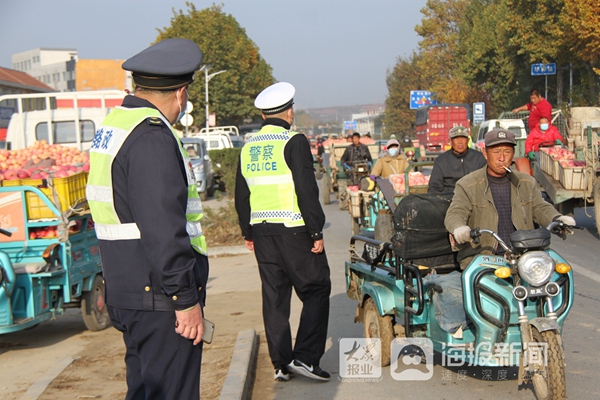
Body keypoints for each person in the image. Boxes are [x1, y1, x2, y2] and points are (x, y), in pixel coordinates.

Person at [86, 39, 209, 399]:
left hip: (127, 290)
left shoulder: (115, 123)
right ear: (181, 93)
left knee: (143, 391)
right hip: (160, 297)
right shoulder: (152, 137)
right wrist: (185, 300)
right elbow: (162, 230)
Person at [235, 82, 331, 382]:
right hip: (294, 230)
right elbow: (306, 189)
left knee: (274, 298)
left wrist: (247, 231)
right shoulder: (294, 141)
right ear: (289, 112)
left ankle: (280, 364)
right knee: (316, 289)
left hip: (262, 234)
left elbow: (241, 194)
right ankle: (305, 358)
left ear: (264, 114)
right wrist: (316, 231)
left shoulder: (248, 147)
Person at [444, 128, 575, 270]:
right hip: (484, 259)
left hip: (524, 257)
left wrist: (557, 218)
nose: (502, 158)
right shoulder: (467, 184)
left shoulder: (526, 182)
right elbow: (455, 213)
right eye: (496, 152)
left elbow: (540, 207)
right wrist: (459, 228)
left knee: (557, 278)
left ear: (513, 154)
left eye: (507, 152)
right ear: (485, 154)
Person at [428, 126, 486, 193]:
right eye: (456, 139)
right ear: (450, 141)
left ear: (468, 140)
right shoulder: (441, 161)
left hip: (474, 197)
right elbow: (434, 187)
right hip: (450, 198)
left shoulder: (479, 158)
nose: (460, 142)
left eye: (463, 138)